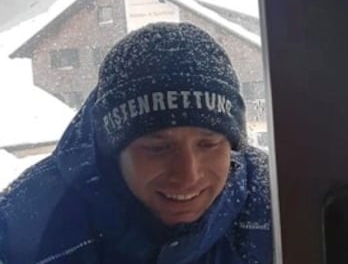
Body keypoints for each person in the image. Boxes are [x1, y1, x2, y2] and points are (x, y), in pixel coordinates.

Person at [0, 22, 273, 263]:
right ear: (111, 150)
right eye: (158, 148)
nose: (188, 174)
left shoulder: (276, 203)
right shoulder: (28, 226)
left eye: (209, 144)